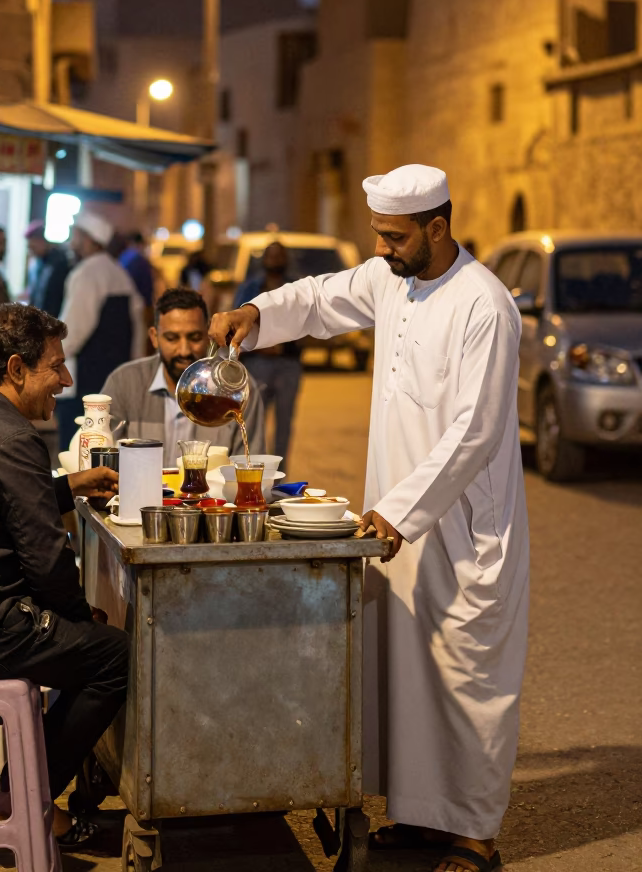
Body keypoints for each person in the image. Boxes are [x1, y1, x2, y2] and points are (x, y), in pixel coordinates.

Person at [210, 164, 529, 872]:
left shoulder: (485, 304)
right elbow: (321, 300)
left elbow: (475, 430)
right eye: (378, 234)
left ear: (436, 228)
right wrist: (254, 315)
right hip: (395, 519)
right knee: (406, 668)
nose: (381, 248)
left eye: (393, 235)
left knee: (467, 677)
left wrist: (400, 511)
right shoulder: (392, 279)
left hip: (464, 526)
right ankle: (420, 818)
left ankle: (475, 834)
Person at [0, 302, 127, 849]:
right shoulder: (15, 439)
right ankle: (24, 797)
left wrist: (70, 485)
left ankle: (22, 785)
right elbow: (47, 563)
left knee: (86, 640)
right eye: (54, 366)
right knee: (114, 656)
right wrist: (84, 620)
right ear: (16, 369)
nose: (65, 379)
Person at [101, 287, 265, 466]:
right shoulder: (124, 383)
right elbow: (103, 457)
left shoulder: (236, 388)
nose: (184, 350)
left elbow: (250, 465)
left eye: (194, 337)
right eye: (172, 338)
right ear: (154, 337)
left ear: (210, 335)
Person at [55, 211, 145, 448]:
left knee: (77, 448)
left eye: (75, 235)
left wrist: (51, 360)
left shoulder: (86, 273)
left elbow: (73, 332)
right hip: (114, 377)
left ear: (88, 240)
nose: (71, 242)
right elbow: (138, 326)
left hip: (85, 380)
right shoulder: (119, 272)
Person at [233, 241, 302, 469]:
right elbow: (235, 321)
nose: (274, 259)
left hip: (288, 364)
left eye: (279, 255)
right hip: (257, 363)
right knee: (253, 422)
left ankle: (279, 478)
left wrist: (283, 344)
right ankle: (253, 475)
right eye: (270, 255)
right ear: (263, 258)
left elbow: (307, 325)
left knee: (284, 423)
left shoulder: (295, 287)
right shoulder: (250, 288)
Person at [25, 220, 70, 317]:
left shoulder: (59, 262)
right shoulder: (37, 264)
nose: (32, 251)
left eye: (33, 247)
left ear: (41, 241)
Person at [118, 231, 155, 310]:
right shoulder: (139, 261)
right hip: (138, 302)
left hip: (123, 301)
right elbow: (146, 286)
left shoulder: (122, 257)